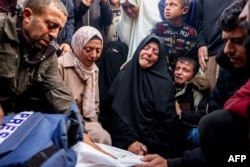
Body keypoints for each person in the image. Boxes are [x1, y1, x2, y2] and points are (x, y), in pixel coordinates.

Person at [136, 0, 250, 166]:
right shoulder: (228, 70)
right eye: (225, 41)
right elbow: (216, 152)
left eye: (238, 41)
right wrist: (172, 163)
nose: (226, 50)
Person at [0, 0, 74, 120]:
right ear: (28, 15)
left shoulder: (48, 53)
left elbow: (58, 92)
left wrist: (80, 130)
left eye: (59, 30)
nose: (55, 35)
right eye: (51, 25)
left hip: (11, 118)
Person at [108, 35, 177, 158]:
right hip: (124, 141)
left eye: (155, 52)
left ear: (160, 58)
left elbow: (167, 120)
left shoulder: (165, 83)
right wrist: (131, 141)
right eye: (146, 48)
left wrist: (147, 145)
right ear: (139, 50)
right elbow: (116, 113)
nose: (149, 53)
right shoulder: (124, 76)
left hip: (154, 146)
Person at [58, 26, 112, 145]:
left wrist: (94, 126)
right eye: (88, 49)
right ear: (78, 45)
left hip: (85, 121)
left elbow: (95, 103)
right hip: (63, 119)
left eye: (98, 50)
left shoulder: (94, 69)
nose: (94, 55)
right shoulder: (60, 65)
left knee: (102, 137)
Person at [196, 0, 235, 91]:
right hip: (209, 54)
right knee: (209, 96)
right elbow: (199, 19)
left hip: (236, 51)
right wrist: (201, 43)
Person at [174, 56, 209, 153]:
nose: (179, 72)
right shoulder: (168, 86)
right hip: (169, 131)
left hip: (187, 132)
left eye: (185, 70)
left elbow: (203, 116)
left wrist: (180, 113)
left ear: (193, 74)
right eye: (177, 68)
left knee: (196, 135)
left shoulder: (196, 91)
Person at [152, 0, 197, 70]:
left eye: (172, 5)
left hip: (178, 73)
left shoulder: (190, 32)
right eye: (166, 5)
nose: (167, 8)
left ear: (184, 10)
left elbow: (189, 59)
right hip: (158, 70)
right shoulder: (159, 27)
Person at [96, 40, 129, 136]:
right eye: (108, 50)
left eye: (115, 52)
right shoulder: (94, 76)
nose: (110, 54)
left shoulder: (127, 81)